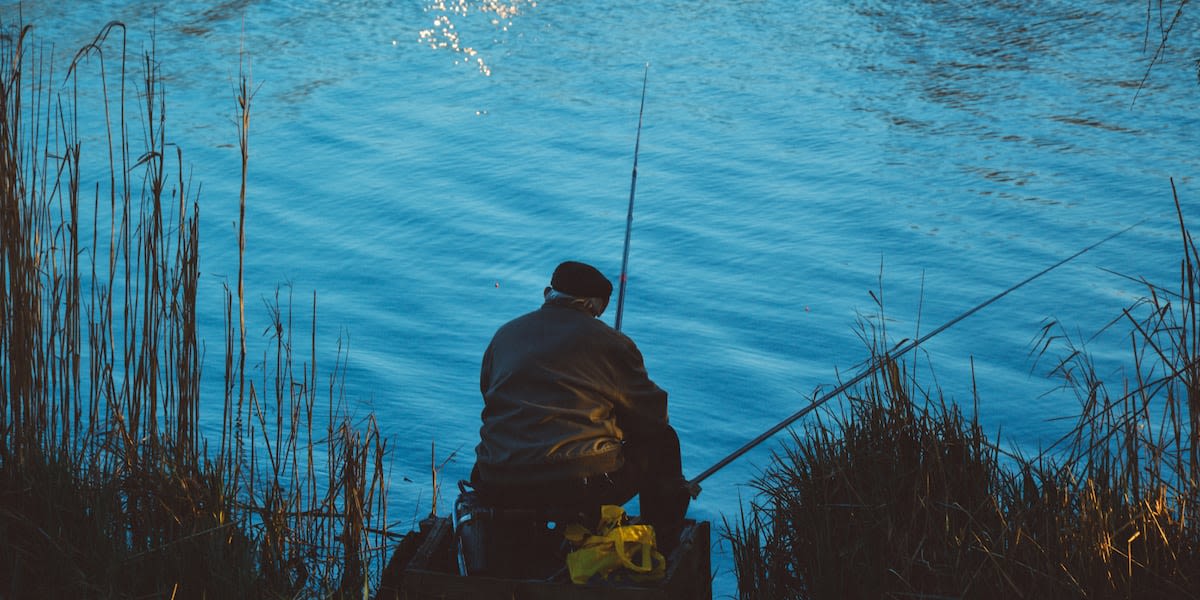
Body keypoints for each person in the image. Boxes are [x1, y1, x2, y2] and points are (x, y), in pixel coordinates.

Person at [470, 260, 692, 555]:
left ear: (548, 292)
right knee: (664, 441)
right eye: (600, 310)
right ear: (593, 305)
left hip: (498, 481)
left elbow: (490, 395)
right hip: (578, 487)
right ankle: (662, 543)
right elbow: (653, 419)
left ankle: (515, 539)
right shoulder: (613, 343)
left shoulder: (504, 336)